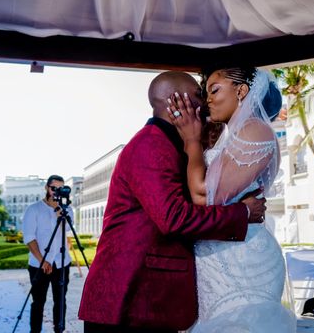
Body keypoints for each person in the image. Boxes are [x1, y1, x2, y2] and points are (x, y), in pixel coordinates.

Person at [78, 72, 267, 332]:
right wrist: (241, 213)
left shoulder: (172, 145)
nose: (205, 103)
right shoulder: (149, 145)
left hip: (149, 299)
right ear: (175, 103)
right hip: (131, 299)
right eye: (199, 96)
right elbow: (173, 218)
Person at [168, 66, 295, 332]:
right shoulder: (229, 136)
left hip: (243, 262)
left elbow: (205, 195)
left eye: (214, 90)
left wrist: (191, 141)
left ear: (241, 91)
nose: (208, 99)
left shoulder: (255, 130)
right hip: (218, 260)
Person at [22, 175, 74, 333]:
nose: (56, 192)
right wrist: (43, 261)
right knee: (38, 301)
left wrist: (61, 214)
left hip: (61, 262)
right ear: (46, 188)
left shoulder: (67, 209)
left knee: (60, 301)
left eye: (60, 188)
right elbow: (29, 238)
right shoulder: (33, 209)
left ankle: (59, 330)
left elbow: (69, 230)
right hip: (39, 264)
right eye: (53, 188)